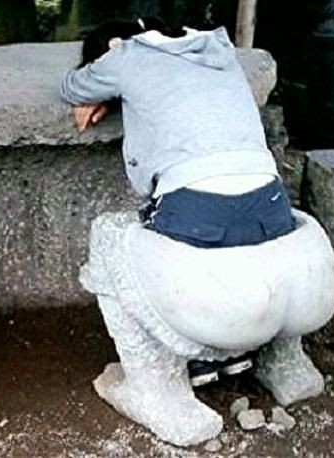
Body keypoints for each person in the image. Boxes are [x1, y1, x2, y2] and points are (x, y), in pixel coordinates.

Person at [61, 19, 295, 386]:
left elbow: (72, 87)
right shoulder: (218, 49)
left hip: (200, 211)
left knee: (114, 237)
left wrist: (103, 87)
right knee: (225, 242)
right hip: (273, 206)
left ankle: (187, 360)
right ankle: (240, 349)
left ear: (113, 45)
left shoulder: (126, 56)